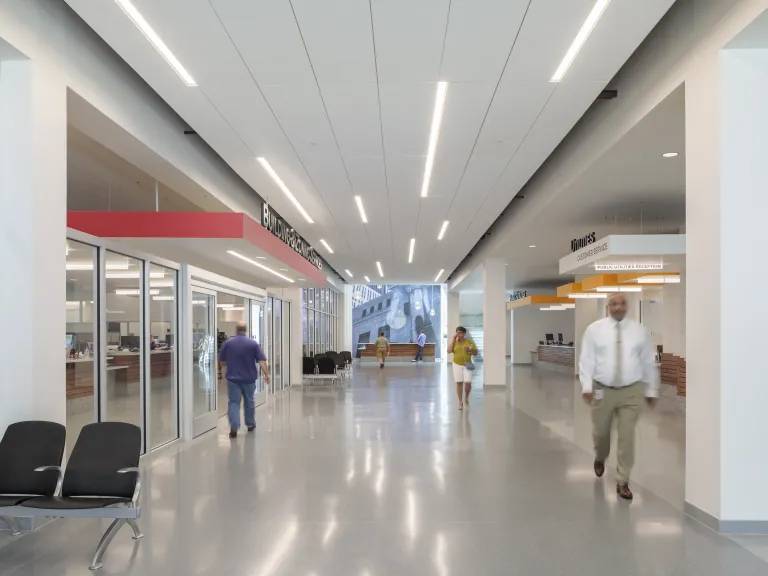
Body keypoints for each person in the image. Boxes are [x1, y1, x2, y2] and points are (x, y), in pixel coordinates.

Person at [579, 293, 658, 500]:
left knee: (627, 436)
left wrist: (651, 389)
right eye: (614, 304)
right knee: (601, 432)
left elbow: (648, 361)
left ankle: (623, 480)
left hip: (632, 390)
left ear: (627, 306)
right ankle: (600, 456)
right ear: (608, 307)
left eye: (622, 303)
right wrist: (586, 385)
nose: (618, 307)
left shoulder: (639, 331)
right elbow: (587, 359)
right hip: (602, 389)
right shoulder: (594, 330)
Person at [217, 321, 271, 438]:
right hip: (249, 379)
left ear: (236, 330)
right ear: (245, 330)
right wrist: (267, 374)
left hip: (233, 379)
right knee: (249, 401)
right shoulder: (253, 344)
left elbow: (221, 360)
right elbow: (261, 361)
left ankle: (234, 426)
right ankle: (250, 424)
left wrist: (229, 363)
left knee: (234, 402)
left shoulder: (228, 343)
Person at [449, 326, 478, 410]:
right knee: (459, 383)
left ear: (464, 333)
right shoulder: (454, 342)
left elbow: (475, 353)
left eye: (460, 333)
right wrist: (453, 339)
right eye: (457, 332)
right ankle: (460, 401)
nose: (458, 334)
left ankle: (466, 397)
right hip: (456, 364)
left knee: (468, 384)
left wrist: (470, 350)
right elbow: (449, 350)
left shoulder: (469, 342)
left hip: (467, 365)